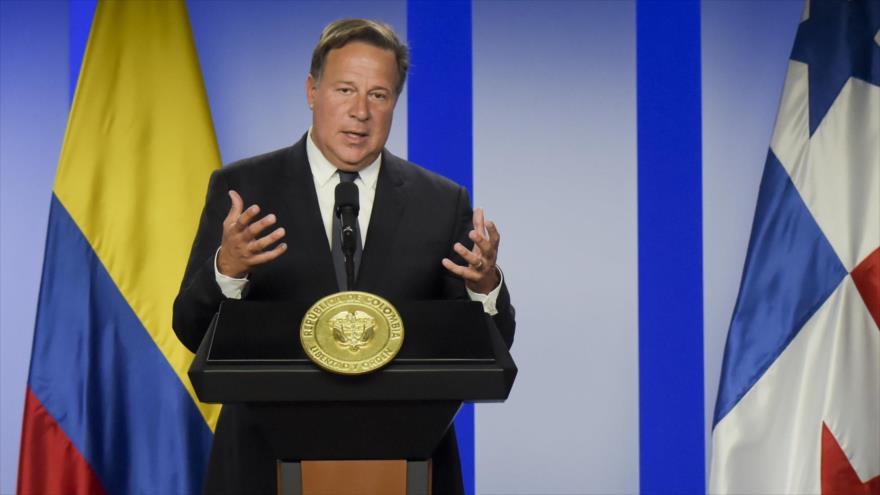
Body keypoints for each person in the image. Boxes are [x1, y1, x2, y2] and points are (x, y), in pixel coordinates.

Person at [173, 18, 515, 495]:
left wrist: (485, 287)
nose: (360, 112)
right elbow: (190, 330)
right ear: (312, 91)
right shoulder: (246, 191)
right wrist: (227, 271)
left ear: (395, 103)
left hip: (407, 463)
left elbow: (494, 345)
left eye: (379, 95)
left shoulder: (441, 202)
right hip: (263, 467)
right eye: (345, 90)